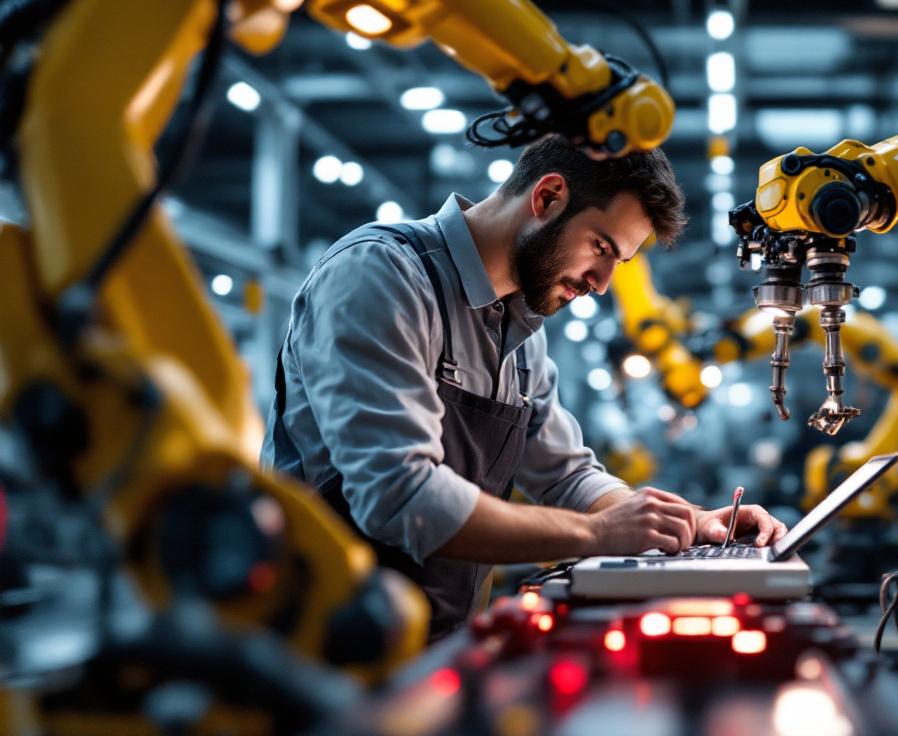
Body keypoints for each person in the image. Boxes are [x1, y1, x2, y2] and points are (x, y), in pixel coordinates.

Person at [263, 136, 786, 640]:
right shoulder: (382, 274)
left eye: (618, 263)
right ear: (548, 196)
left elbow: (566, 476)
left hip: (433, 639)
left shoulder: (521, 331)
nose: (601, 283)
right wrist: (597, 536)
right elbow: (401, 497)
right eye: (601, 247)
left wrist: (683, 525)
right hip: (325, 642)